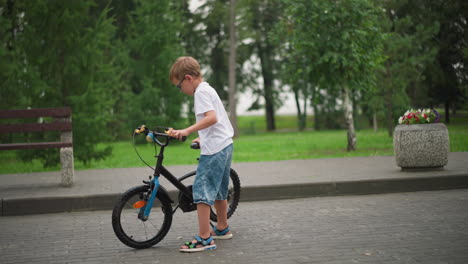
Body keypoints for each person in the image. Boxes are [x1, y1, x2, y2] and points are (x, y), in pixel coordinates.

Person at [167, 56, 234, 253]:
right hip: (224, 144)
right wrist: (202, 137)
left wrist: (187, 131)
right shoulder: (208, 88)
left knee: (202, 190)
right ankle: (222, 227)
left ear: (187, 78)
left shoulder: (200, 93)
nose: (181, 91)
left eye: (179, 86)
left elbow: (211, 118)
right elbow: (218, 120)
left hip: (214, 150)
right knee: (220, 190)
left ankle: (205, 238)